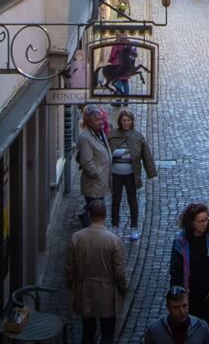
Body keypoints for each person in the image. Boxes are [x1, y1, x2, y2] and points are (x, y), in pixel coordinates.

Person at [65, 199, 127, 343]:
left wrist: (72, 285)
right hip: (106, 293)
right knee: (107, 332)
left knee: (87, 331)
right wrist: (123, 288)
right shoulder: (113, 241)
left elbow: (69, 268)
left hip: (85, 291)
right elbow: (119, 272)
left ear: (90, 215)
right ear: (105, 216)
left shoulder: (77, 238)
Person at [170, 203, 209, 344]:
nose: (205, 224)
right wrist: (175, 295)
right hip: (190, 296)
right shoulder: (181, 241)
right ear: (191, 223)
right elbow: (175, 270)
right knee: (192, 334)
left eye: (207, 219)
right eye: (201, 221)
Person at [107, 109, 157, 240]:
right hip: (116, 174)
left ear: (132, 122)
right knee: (115, 201)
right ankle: (115, 226)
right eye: (124, 120)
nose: (126, 123)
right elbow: (105, 152)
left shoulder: (137, 136)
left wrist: (151, 172)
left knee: (132, 201)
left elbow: (146, 155)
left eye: (128, 120)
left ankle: (134, 228)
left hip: (131, 175)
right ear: (120, 121)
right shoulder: (112, 135)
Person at [77, 105, 111, 228]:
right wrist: (96, 174)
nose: (100, 122)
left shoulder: (100, 132)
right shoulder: (85, 138)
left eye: (101, 119)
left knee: (94, 209)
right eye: (97, 119)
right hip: (94, 183)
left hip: (101, 182)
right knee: (93, 211)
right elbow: (86, 162)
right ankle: (90, 232)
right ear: (89, 121)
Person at [142, 287, 209, 344]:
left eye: (184, 306)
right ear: (168, 308)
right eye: (176, 307)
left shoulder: (202, 328)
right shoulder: (154, 330)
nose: (182, 312)